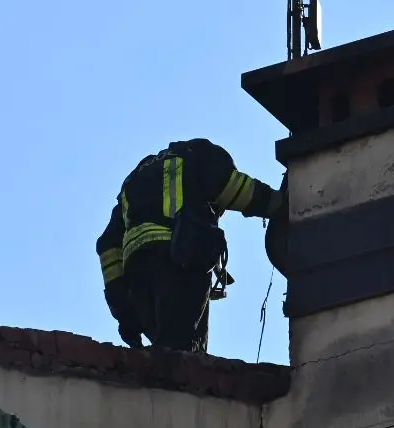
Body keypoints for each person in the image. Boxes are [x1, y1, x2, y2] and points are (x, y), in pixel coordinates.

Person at [96, 139, 284, 353]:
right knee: (182, 351)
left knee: (163, 345)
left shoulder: (136, 177)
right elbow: (231, 187)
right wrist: (279, 204)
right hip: (181, 258)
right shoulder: (199, 155)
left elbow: (107, 246)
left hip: (137, 274)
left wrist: (122, 309)